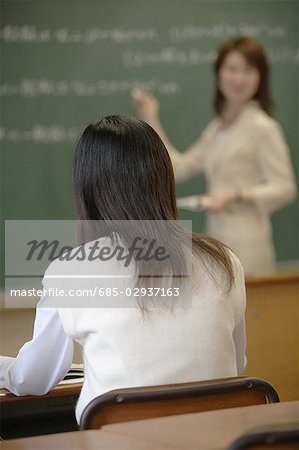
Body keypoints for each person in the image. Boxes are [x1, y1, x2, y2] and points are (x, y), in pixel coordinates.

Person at [0, 115, 246, 424]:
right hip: (219, 440)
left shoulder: (70, 270)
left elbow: (33, 379)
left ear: (88, 188)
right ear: (163, 178)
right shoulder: (223, 261)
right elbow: (234, 365)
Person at [133, 36, 297, 275]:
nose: (239, 78)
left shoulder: (263, 127)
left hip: (249, 248)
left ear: (260, 78)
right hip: (217, 243)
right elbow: (177, 168)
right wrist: (150, 117)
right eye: (232, 69)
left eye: (248, 70)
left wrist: (235, 195)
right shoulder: (218, 128)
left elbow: (285, 188)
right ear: (219, 73)